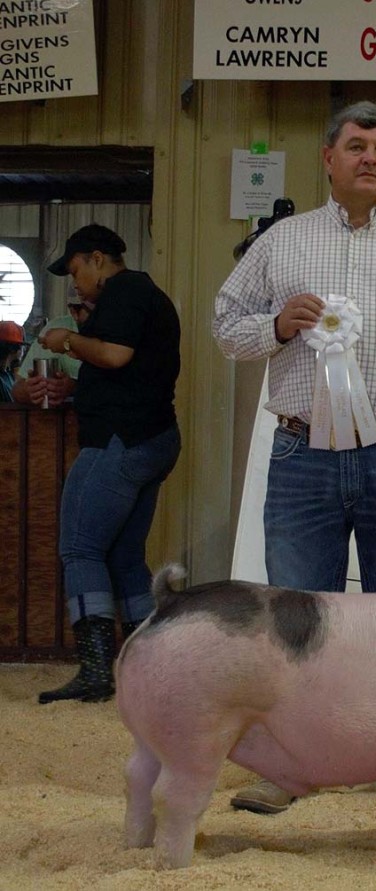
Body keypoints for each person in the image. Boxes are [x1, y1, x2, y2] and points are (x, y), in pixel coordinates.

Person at [213, 100, 376, 819]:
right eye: (356, 145)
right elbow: (225, 324)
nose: (370, 157)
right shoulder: (280, 243)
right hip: (302, 453)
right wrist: (272, 324)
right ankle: (290, 767)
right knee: (297, 620)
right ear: (328, 158)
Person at [36, 224, 181, 705]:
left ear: (97, 258)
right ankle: (153, 670)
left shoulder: (123, 291)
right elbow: (132, 371)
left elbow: (116, 356)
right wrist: (78, 388)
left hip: (119, 440)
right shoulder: (146, 294)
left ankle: (97, 670)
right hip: (152, 437)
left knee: (80, 550)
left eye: (76, 270)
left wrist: (66, 341)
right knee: (122, 556)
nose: (74, 283)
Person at [11, 302, 91, 406]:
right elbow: (18, 391)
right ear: (73, 312)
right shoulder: (57, 329)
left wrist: (74, 387)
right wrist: (32, 390)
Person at [0, 320, 25, 402]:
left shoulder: (7, 375)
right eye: (22, 347)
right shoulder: (3, 382)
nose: (23, 351)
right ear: (15, 349)